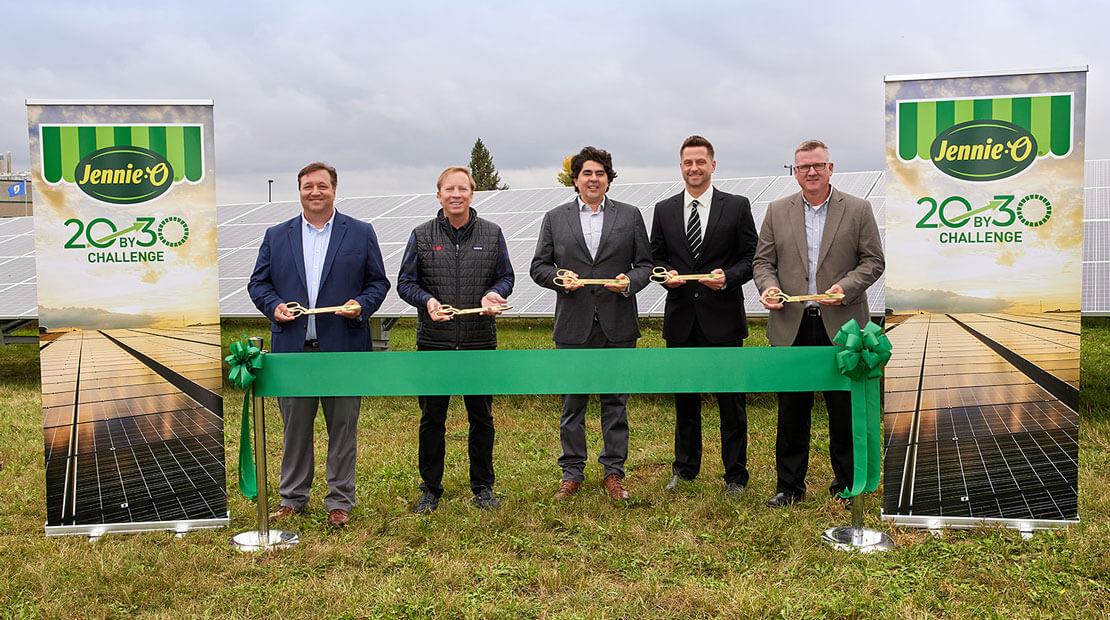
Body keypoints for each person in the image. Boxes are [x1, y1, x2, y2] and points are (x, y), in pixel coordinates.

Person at [247, 162, 390, 527]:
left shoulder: (359, 233)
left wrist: (362, 305)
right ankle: (293, 497)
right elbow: (258, 284)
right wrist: (273, 306)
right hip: (293, 351)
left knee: (343, 426)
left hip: (343, 349)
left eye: (322, 186)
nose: (315, 192)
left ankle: (339, 500)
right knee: (294, 427)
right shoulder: (276, 235)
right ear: (299, 191)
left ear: (334, 190)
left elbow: (378, 283)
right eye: (308, 186)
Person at [753, 139, 885, 508]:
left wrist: (847, 287)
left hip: (842, 325)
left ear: (831, 168)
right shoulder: (777, 211)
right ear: (794, 172)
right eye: (802, 167)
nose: (810, 172)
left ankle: (846, 484)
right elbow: (762, 263)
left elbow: (873, 261)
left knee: (842, 409)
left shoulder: (858, 209)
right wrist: (770, 286)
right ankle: (789, 487)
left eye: (817, 165)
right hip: (791, 323)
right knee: (792, 410)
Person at [529, 146, 653, 501]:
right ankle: (572, 473)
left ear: (609, 180)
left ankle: (614, 473)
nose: (594, 179)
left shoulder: (630, 216)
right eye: (587, 173)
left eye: (600, 173)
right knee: (573, 403)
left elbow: (645, 265)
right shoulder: (555, 218)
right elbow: (539, 267)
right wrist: (558, 278)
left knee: (616, 401)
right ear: (576, 180)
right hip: (573, 324)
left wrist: (629, 281)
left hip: (618, 323)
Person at [397, 166, 514, 514]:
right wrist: (427, 302)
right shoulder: (421, 235)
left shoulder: (492, 234)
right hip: (434, 342)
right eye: (449, 189)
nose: (456, 194)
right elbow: (406, 283)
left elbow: (506, 276)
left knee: (482, 417)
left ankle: (483, 486)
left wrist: (494, 293)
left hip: (479, 341)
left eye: (462, 188)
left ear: (471, 193)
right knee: (432, 418)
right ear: (439, 194)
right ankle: (430, 489)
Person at [649, 135, 758, 496]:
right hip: (681, 320)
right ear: (680, 167)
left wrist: (728, 277)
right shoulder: (664, 210)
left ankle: (736, 475)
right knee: (686, 401)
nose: (694, 168)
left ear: (713, 165)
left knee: (731, 402)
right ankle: (685, 469)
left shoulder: (737, 206)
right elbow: (656, 259)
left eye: (700, 161)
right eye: (687, 162)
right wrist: (668, 277)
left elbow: (750, 257)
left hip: (723, 318)